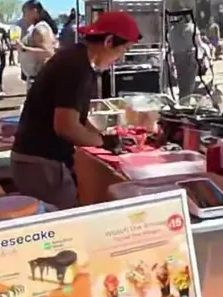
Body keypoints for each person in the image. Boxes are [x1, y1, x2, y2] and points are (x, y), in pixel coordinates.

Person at [11, 11, 139, 208]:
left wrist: (102, 138)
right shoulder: (77, 67)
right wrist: (102, 142)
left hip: (35, 161)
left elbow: (76, 118)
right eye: (123, 50)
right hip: (41, 162)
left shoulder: (76, 59)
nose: (120, 58)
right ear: (108, 41)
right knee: (65, 222)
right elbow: (66, 126)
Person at [18, 0, 57, 80]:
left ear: (34, 11)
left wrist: (24, 48)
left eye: (25, 13)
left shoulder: (40, 29)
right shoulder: (36, 28)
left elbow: (48, 52)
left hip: (41, 77)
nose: (23, 17)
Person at [167, 16, 201, 98]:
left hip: (177, 57)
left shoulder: (172, 31)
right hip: (189, 57)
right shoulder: (192, 27)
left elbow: (170, 46)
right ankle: (186, 101)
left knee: (182, 83)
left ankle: (182, 100)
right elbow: (199, 43)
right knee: (189, 83)